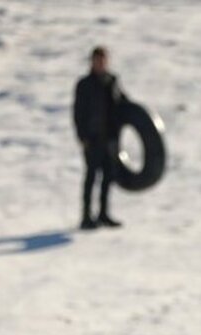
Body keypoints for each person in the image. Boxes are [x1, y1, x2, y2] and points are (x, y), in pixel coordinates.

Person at [73, 46, 126, 230]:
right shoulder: (84, 84)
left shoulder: (112, 81)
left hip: (110, 138)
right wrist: (82, 136)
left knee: (108, 178)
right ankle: (86, 216)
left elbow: (123, 103)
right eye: (98, 60)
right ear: (92, 61)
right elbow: (78, 112)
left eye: (103, 60)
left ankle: (103, 214)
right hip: (92, 139)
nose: (101, 64)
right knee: (91, 178)